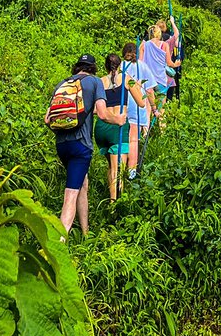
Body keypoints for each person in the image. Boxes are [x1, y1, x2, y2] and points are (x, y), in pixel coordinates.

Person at [46, 54, 127, 234]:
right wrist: (119, 119)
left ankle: (85, 232)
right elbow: (103, 114)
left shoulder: (63, 84)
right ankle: (59, 242)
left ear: (77, 67)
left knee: (83, 183)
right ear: (93, 68)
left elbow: (47, 119)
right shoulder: (95, 82)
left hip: (62, 145)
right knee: (71, 195)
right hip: (80, 146)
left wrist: (63, 132)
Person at [94, 52, 145, 202]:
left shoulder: (99, 82)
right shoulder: (126, 79)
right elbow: (141, 103)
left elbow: (93, 107)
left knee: (111, 166)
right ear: (120, 65)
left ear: (106, 66)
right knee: (118, 170)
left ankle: (112, 200)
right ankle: (114, 204)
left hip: (102, 127)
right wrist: (138, 86)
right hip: (118, 127)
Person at [122, 41, 155, 179]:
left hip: (121, 107)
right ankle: (131, 172)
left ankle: (120, 171)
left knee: (123, 141)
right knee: (134, 140)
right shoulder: (143, 66)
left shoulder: (121, 66)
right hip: (137, 106)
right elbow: (149, 90)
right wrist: (154, 107)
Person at [140, 21, 180, 129]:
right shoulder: (164, 45)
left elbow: (140, 62)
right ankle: (162, 131)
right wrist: (176, 64)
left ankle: (145, 132)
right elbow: (169, 63)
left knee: (148, 108)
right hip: (161, 80)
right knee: (162, 107)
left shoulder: (144, 45)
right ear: (159, 34)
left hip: (148, 80)